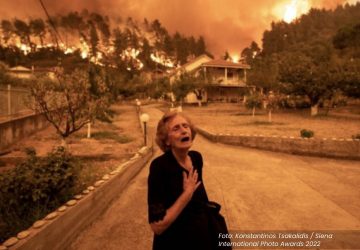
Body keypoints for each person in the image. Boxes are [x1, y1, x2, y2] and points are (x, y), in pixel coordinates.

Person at [147, 111, 218, 250]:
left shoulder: (196, 158)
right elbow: (157, 226)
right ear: (167, 140)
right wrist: (187, 194)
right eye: (176, 128)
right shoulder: (159, 167)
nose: (184, 131)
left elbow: (200, 202)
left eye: (185, 126)